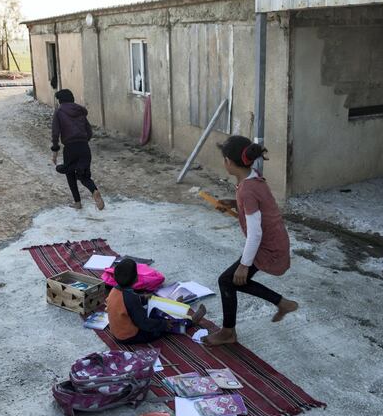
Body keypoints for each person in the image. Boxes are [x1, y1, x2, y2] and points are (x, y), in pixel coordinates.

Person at [203, 135, 299, 347]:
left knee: (229, 280)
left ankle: (228, 332)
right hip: (272, 239)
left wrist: (244, 265)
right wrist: (233, 204)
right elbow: (256, 209)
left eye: (224, 159)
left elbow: (255, 233)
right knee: (232, 280)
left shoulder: (247, 189)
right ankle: (283, 303)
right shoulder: (252, 178)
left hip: (267, 244)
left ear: (229, 161)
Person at [106, 259, 206, 345]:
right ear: (136, 278)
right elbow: (143, 323)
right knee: (164, 324)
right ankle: (191, 322)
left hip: (118, 332)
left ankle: (175, 306)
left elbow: (125, 303)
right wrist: (163, 324)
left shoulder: (115, 290)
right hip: (130, 336)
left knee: (150, 307)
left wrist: (143, 298)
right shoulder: (131, 298)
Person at [51, 89, 105, 210]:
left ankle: (77, 202)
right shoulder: (80, 112)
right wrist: (84, 141)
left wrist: (55, 151)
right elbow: (89, 131)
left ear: (60, 101)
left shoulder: (59, 112)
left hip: (70, 147)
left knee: (70, 173)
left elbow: (55, 133)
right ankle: (94, 190)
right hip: (84, 146)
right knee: (84, 175)